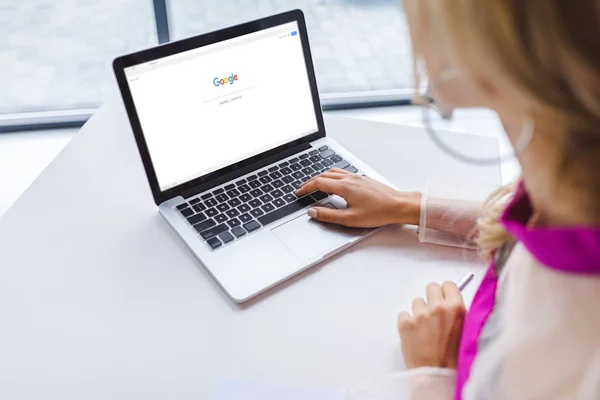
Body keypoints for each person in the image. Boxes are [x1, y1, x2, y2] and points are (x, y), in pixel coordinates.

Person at [296, 1, 600, 398]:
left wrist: (433, 374)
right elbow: (521, 233)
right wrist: (407, 205)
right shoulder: (569, 179)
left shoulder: (569, 355)